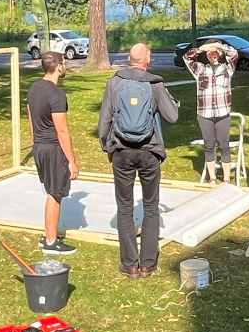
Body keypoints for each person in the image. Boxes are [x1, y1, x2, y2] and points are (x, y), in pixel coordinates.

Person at [98, 42, 180, 278]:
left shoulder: (115, 82)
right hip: (149, 152)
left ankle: (129, 265)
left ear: (129, 58)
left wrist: (107, 147)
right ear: (148, 59)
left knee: (124, 207)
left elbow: (104, 119)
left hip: (121, 151)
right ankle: (148, 264)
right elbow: (172, 116)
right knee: (151, 206)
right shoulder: (154, 83)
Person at [27, 51, 78, 255]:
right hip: (52, 148)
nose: (65, 66)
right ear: (58, 66)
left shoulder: (34, 88)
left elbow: (30, 118)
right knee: (55, 194)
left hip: (39, 146)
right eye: (64, 63)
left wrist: (35, 144)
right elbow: (62, 131)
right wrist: (71, 161)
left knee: (51, 191)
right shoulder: (56, 94)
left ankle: (49, 233)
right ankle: (50, 241)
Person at [184, 40, 238, 183]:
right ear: (206, 55)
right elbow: (187, 57)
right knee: (209, 146)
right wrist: (202, 48)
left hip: (222, 114)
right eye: (210, 53)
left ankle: (226, 179)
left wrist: (219, 47)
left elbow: (234, 54)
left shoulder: (227, 69)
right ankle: (212, 178)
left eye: (215, 52)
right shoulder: (200, 69)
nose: (213, 55)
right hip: (204, 114)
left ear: (220, 54)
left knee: (224, 146)